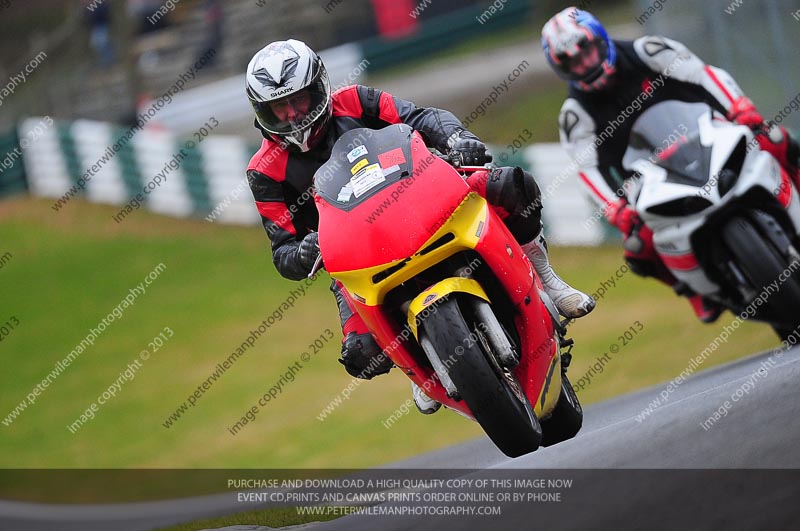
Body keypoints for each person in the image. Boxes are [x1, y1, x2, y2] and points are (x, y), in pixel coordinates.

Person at [245, 39, 595, 414]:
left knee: (510, 184)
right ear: (262, 112)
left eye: (299, 100)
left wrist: (458, 139)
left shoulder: (357, 99)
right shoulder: (263, 170)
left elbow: (421, 118)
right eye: (279, 109)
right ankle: (420, 367)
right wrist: (302, 251)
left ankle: (549, 281)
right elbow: (281, 250)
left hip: (423, 199)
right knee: (362, 356)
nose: (293, 116)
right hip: (354, 253)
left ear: (320, 88)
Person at [541, 7, 800, 323]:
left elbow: (705, 74)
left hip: (708, 134)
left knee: (778, 139)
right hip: (650, 178)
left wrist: (741, 108)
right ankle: (695, 291)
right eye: (571, 62)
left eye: (586, 50)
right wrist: (616, 210)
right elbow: (587, 169)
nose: (584, 63)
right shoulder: (574, 114)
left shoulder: (647, 51)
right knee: (638, 246)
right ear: (561, 70)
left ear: (600, 38)